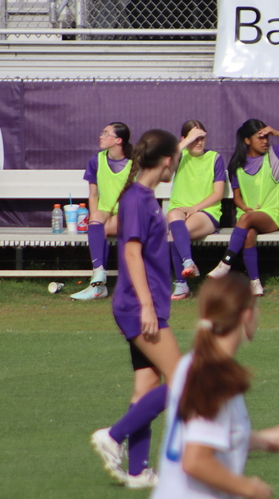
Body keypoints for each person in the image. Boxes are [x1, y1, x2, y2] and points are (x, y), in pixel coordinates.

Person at [151, 274, 279, 499]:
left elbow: (206, 433)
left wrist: (262, 440)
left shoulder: (192, 362)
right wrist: (250, 489)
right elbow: (195, 460)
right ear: (246, 315)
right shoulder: (215, 376)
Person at [90, 129, 183, 489]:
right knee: (183, 382)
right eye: (175, 157)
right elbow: (131, 252)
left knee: (146, 389)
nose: (176, 163)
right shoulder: (139, 200)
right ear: (165, 161)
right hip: (140, 306)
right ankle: (113, 436)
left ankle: (138, 471)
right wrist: (146, 305)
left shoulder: (142, 196)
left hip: (144, 304)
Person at [208, 120, 279, 297]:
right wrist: (245, 208)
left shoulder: (275, 154)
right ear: (247, 140)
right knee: (248, 233)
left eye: (267, 137)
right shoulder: (236, 164)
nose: (265, 141)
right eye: (260, 137)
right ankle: (255, 283)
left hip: (273, 215)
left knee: (247, 221)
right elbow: (237, 198)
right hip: (247, 216)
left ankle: (225, 263)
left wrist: (277, 132)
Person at [72, 122, 133, 301]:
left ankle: (98, 286)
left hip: (129, 214)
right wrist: (94, 221)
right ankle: (99, 275)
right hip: (106, 212)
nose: (101, 136)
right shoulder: (96, 160)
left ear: (118, 140)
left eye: (106, 134)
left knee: (101, 229)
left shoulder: (134, 162)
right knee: (96, 220)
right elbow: (93, 195)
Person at [167, 121, 226, 301]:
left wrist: (195, 208)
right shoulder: (180, 156)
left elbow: (218, 193)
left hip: (206, 212)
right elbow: (164, 161)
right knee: (173, 216)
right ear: (184, 139)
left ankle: (181, 283)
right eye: (194, 139)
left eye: (202, 138)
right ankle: (188, 263)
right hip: (180, 209)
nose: (199, 143)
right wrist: (186, 142)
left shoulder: (215, 158)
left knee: (174, 234)